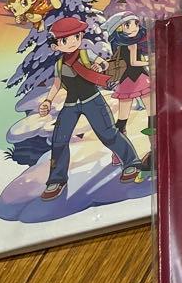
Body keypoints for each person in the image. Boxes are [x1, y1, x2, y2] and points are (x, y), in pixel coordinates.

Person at [37, 17, 142, 201]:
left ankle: (131, 162)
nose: (72, 42)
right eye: (65, 40)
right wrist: (48, 100)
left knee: (108, 133)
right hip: (71, 104)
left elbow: (105, 63)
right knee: (59, 140)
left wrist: (98, 66)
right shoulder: (59, 64)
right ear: (55, 46)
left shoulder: (86, 54)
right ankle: (57, 180)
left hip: (92, 100)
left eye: (76, 37)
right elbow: (57, 84)